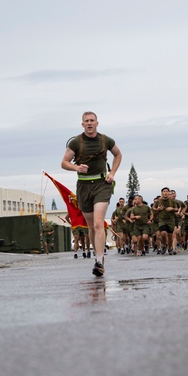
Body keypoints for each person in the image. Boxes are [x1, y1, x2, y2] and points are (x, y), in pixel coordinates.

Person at [61, 111, 122, 277]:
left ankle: (99, 261)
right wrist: (76, 167)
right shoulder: (76, 142)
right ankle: (98, 256)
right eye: (86, 121)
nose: (89, 123)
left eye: (92, 121)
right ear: (82, 124)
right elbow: (64, 163)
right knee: (91, 227)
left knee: (98, 223)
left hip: (102, 184)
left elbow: (118, 154)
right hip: (84, 186)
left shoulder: (105, 140)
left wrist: (112, 173)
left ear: (97, 123)